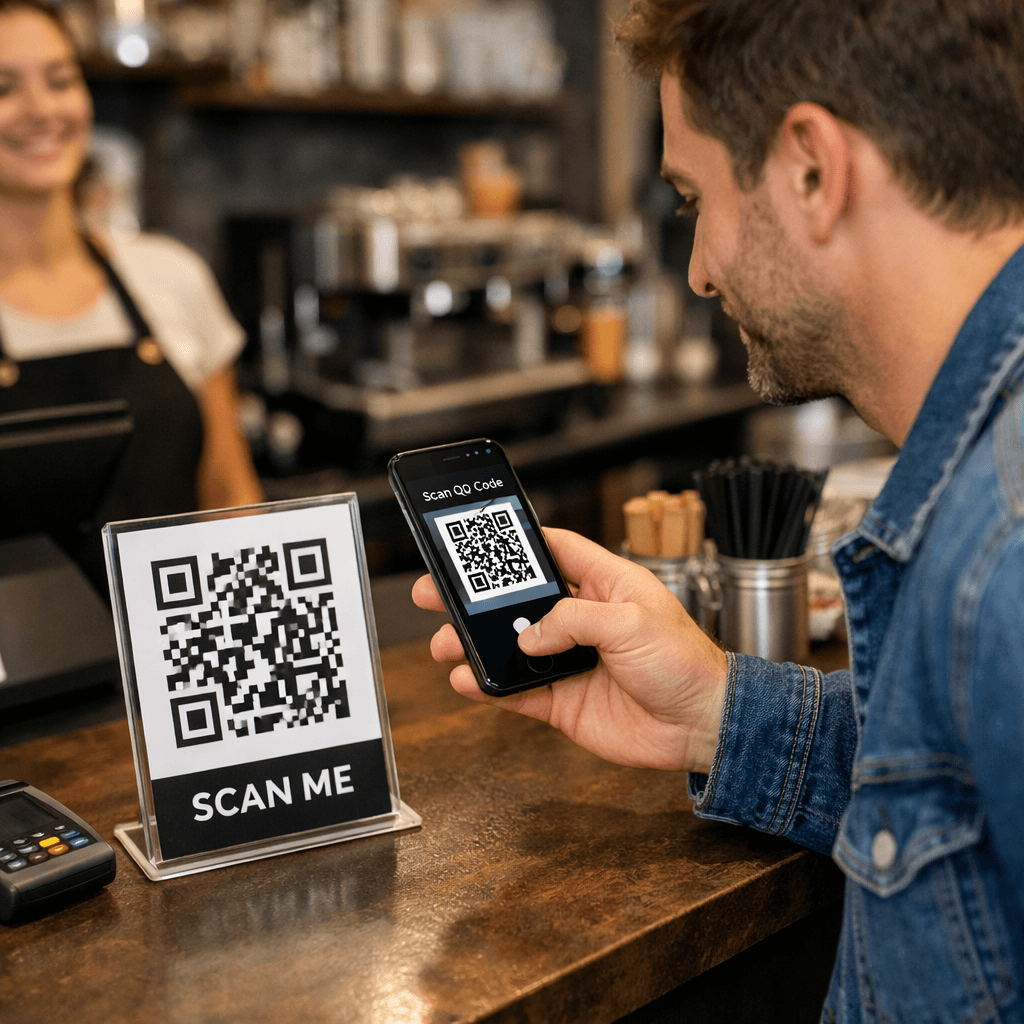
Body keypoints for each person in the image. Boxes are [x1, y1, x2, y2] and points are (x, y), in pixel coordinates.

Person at [413, 1, 1024, 1020]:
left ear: (812, 171)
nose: (697, 267)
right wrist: (720, 708)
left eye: (694, 194)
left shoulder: (999, 554)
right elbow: (952, 794)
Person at [0, 0, 262, 590]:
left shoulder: (170, 274)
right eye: (4, 87)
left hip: (190, 661)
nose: (42, 110)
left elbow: (230, 494)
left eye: (61, 80)